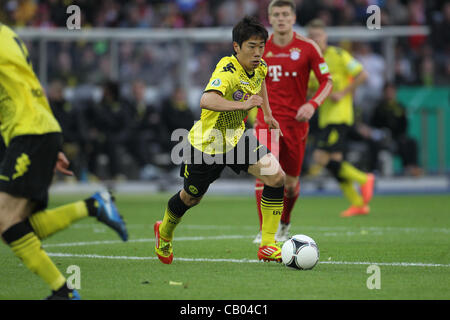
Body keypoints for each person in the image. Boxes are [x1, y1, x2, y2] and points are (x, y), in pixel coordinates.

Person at [0, 24, 128, 300]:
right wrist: (51, 143)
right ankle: (93, 206)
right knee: (19, 224)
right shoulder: (7, 35)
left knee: (6, 220)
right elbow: (29, 88)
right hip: (33, 132)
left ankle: (64, 291)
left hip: (30, 133)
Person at [153, 16, 286, 264]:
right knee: (190, 197)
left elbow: (261, 84)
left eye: (261, 46)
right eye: (251, 46)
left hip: (236, 139)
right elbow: (206, 100)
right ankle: (164, 231)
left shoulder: (260, 66)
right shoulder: (226, 70)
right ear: (236, 47)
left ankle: (268, 244)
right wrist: (244, 104)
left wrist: (267, 114)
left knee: (277, 177)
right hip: (207, 144)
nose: (257, 53)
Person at [253, 0, 333, 243]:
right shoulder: (259, 47)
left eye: (285, 14)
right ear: (269, 18)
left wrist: (312, 104)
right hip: (266, 121)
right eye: (276, 14)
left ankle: (284, 222)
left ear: (293, 17)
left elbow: (327, 81)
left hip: (296, 125)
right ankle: (266, 232)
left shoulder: (307, 47)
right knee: (265, 173)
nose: (280, 18)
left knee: (290, 184)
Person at [306, 19, 375, 217]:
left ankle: (363, 178)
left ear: (325, 36)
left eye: (318, 36)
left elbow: (362, 75)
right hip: (325, 117)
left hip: (339, 116)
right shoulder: (311, 63)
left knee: (320, 157)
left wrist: (343, 93)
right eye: (311, 37)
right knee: (336, 164)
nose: (315, 40)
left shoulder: (338, 54)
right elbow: (312, 88)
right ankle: (358, 203)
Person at [357, 83, 423, 176]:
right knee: (372, 143)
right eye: (387, 91)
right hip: (381, 138)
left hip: (396, 138)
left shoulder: (400, 108)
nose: (389, 93)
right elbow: (373, 125)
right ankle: (373, 170)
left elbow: (404, 126)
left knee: (410, 142)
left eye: (391, 91)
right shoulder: (378, 108)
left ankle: (411, 167)